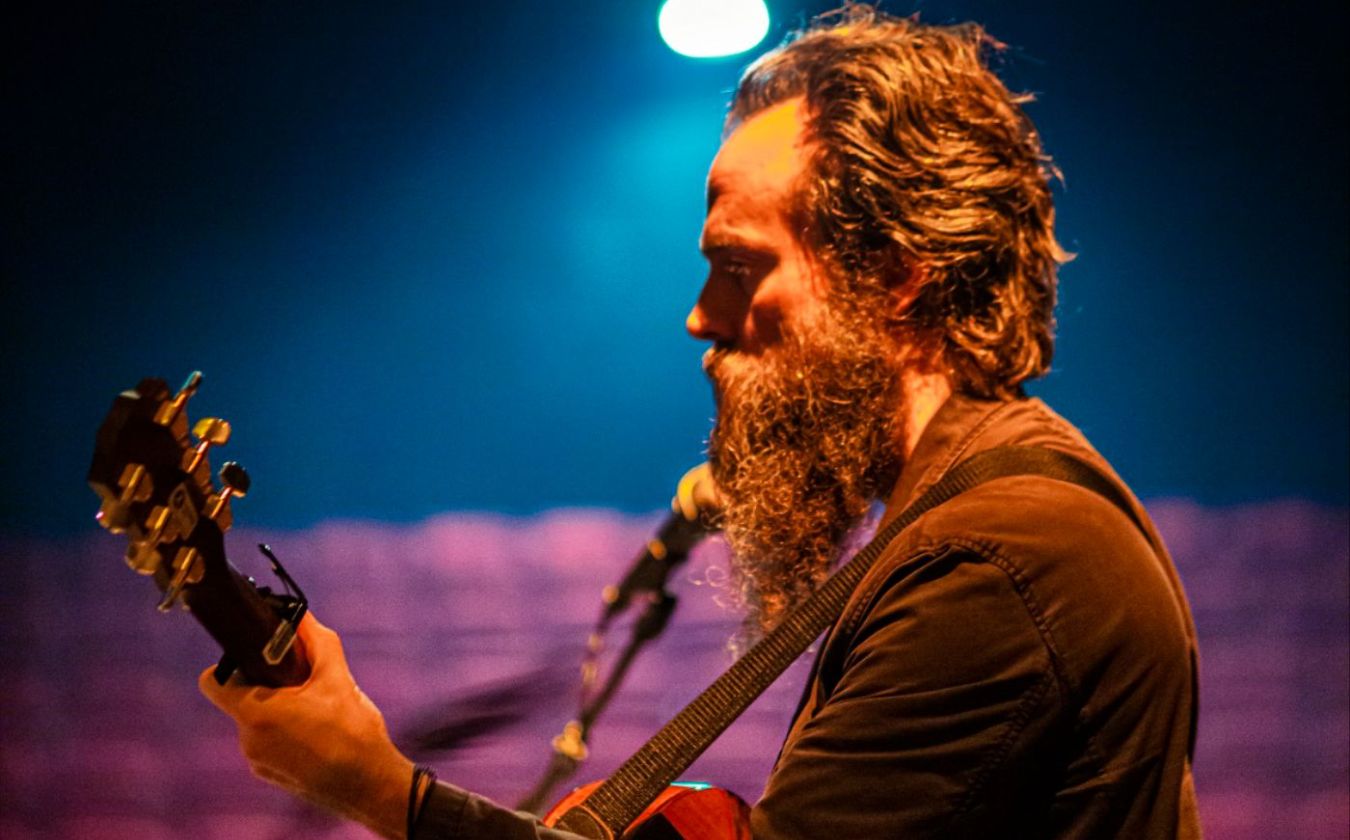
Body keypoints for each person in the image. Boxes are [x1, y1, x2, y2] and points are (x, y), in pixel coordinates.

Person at [201, 8, 1201, 838]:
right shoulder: (978, 519)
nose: (699, 316)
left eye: (739, 266)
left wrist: (379, 790)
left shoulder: (1000, 560)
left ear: (895, 277)